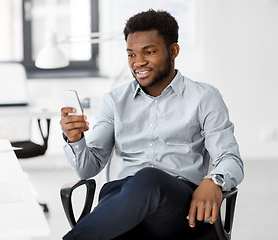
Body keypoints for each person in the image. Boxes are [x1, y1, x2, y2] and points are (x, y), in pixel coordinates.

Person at [60, 9, 244, 240]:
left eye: (149, 52)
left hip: (177, 204)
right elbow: (88, 168)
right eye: (131, 55)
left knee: (149, 178)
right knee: (138, 186)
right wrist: (76, 140)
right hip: (122, 199)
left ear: (173, 51)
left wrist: (214, 180)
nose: (138, 62)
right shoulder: (114, 100)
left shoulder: (204, 97)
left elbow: (230, 158)